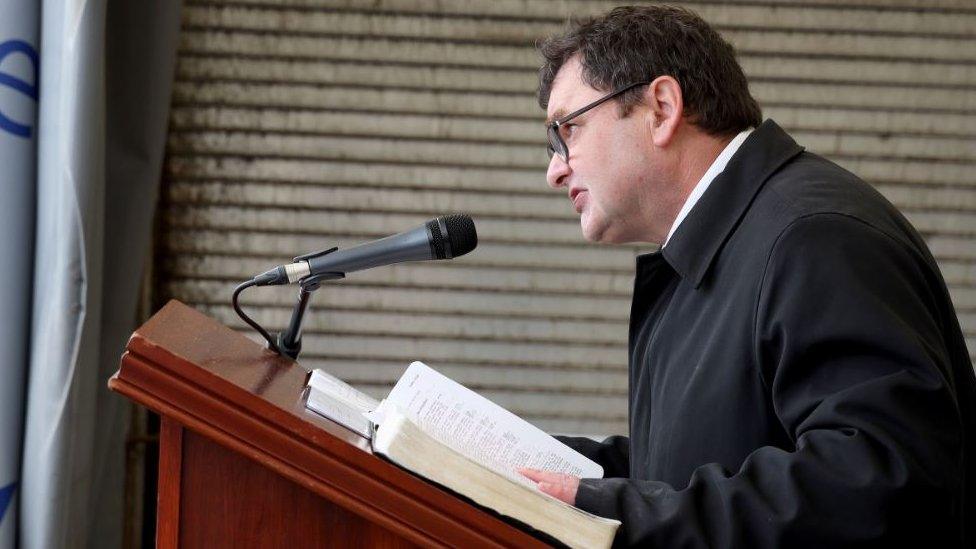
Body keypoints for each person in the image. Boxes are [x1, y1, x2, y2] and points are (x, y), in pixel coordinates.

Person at [518, 5, 976, 547]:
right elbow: (689, 465)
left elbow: (878, 477)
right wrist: (519, 464)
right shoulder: (708, 253)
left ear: (661, 109)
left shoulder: (811, 236)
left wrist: (620, 514)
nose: (555, 169)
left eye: (568, 129)